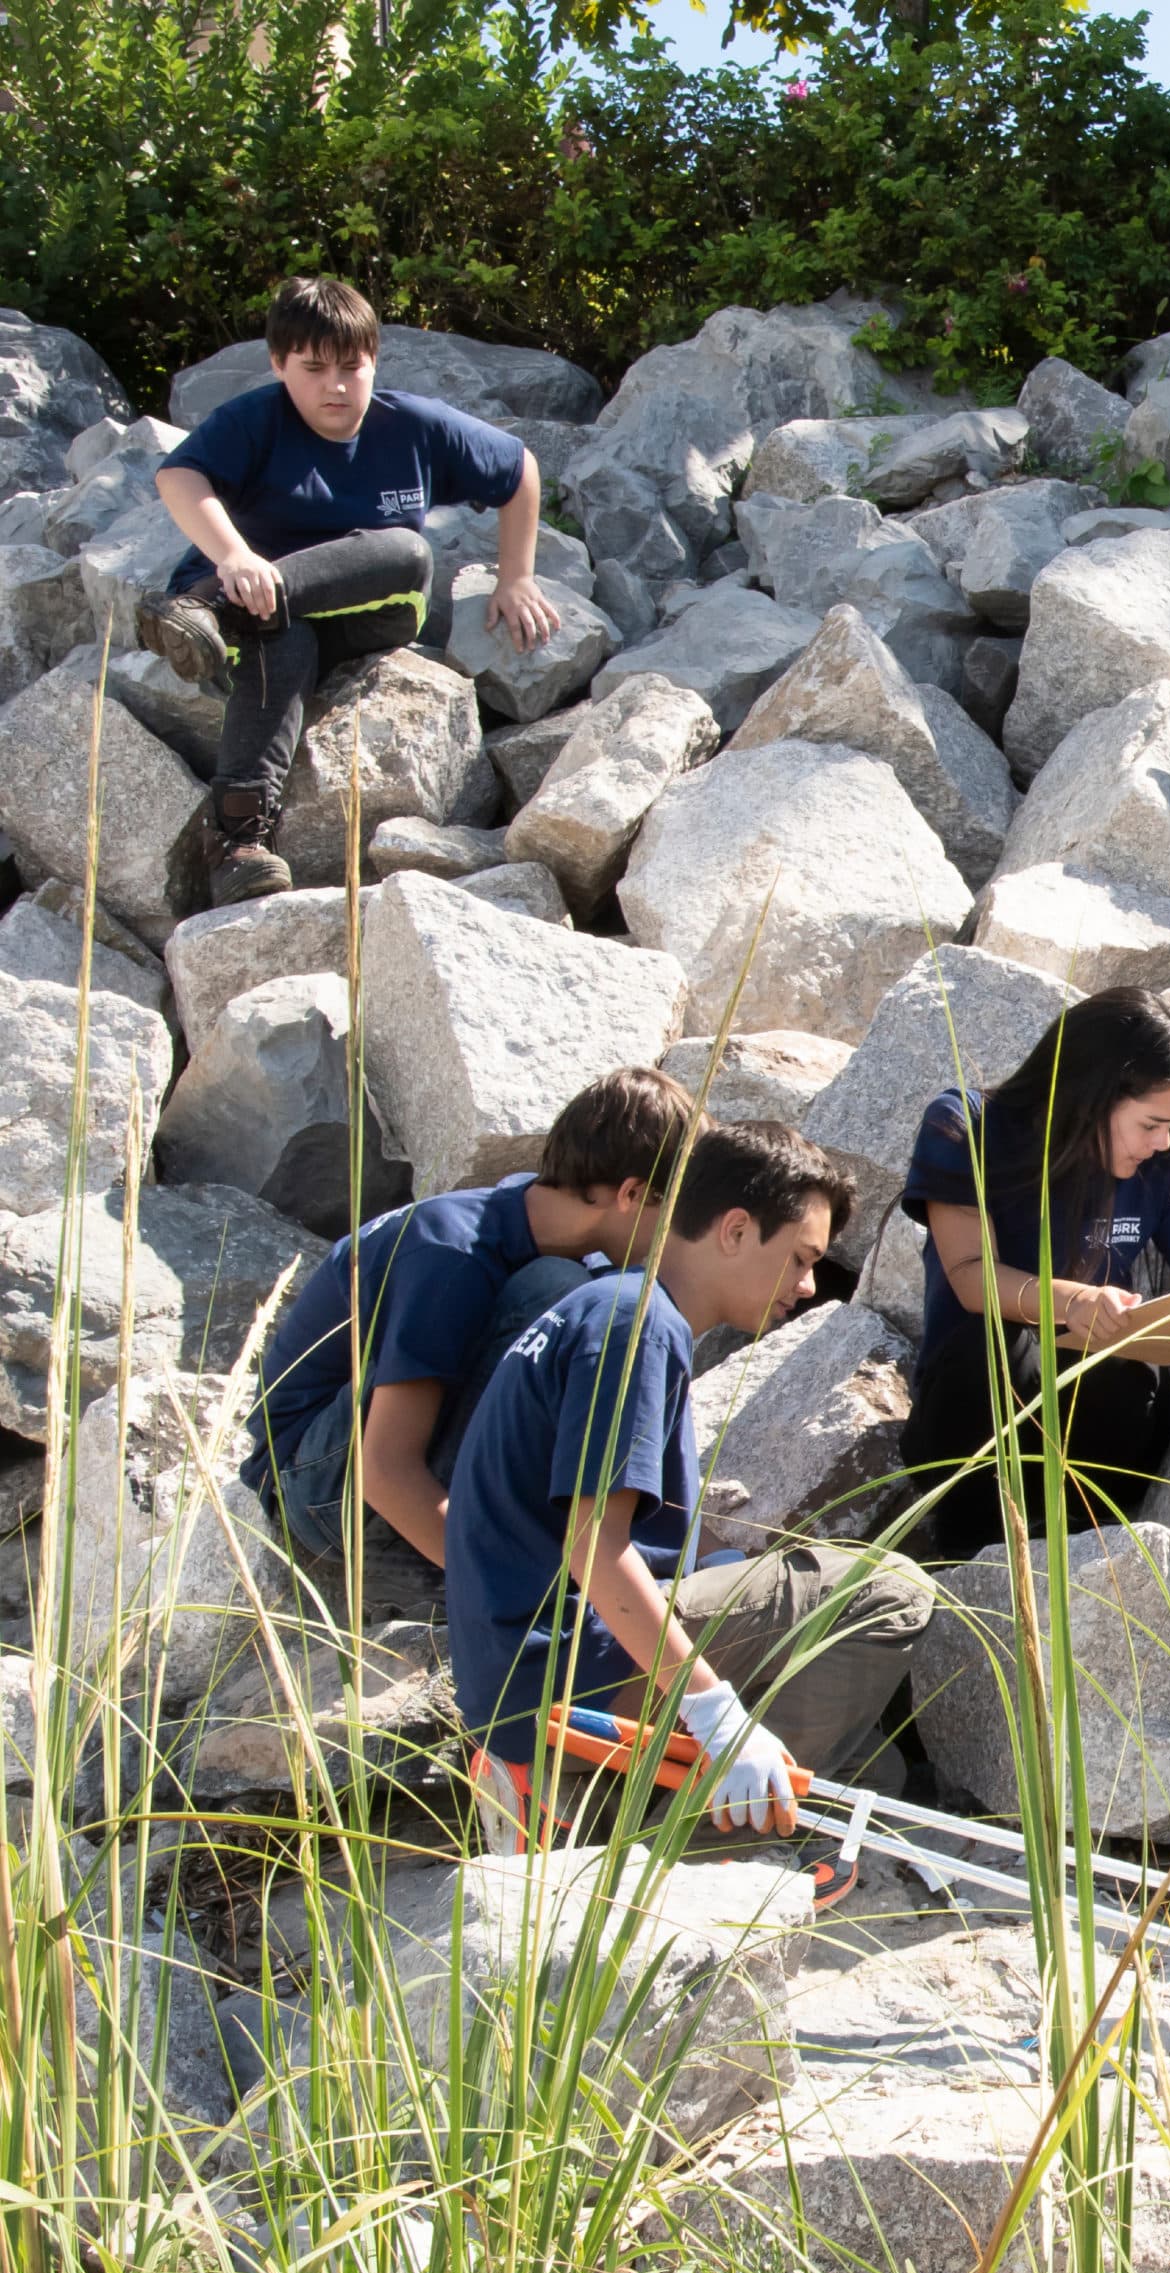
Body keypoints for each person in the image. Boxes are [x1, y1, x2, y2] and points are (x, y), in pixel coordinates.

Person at [445, 1120, 931, 1856]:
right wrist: (714, 1712)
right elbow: (593, 1545)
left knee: (877, 1769)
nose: (807, 1287)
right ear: (734, 1230)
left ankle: (623, 1791)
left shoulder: (609, 1307)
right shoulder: (637, 1328)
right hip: (554, 1677)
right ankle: (656, 1838)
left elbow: (645, 1526)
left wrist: (728, 1576)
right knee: (889, 1590)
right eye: (800, 1260)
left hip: (520, 1678)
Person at [139, 275, 562, 908]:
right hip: (256, 612)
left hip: (373, 605)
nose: (335, 385)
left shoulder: (413, 426)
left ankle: (208, 613)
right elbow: (177, 474)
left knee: (406, 549)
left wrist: (516, 575)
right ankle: (237, 844)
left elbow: (518, 469)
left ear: (374, 362)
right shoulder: (256, 419)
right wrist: (235, 557)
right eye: (313, 369)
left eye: (351, 367)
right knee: (281, 641)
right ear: (279, 364)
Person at [243, 1066, 700, 1566]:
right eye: (677, 1215)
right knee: (564, 1298)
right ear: (631, 1195)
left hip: (351, 1469)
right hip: (317, 1488)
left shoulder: (527, 1218)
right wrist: (493, 1593)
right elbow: (385, 1471)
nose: (678, 1238)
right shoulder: (452, 1252)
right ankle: (437, 1560)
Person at [897, 986, 1170, 1560]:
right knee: (994, 1348)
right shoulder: (966, 1126)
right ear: (1091, 1095)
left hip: (1100, 1430)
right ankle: (972, 1560)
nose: (1162, 1142)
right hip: (980, 1422)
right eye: (1150, 1123)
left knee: (1137, 1377)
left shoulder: (1161, 1165)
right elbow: (971, 1274)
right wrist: (1075, 1302)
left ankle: (1085, 1546)